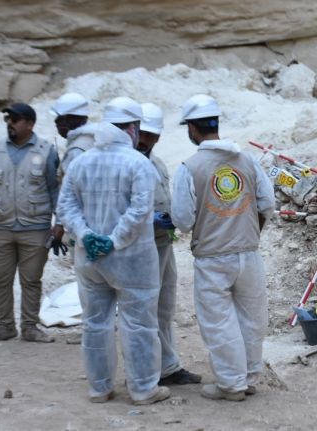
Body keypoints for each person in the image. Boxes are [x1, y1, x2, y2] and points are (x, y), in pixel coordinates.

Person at [57, 96, 170, 405]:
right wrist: (114, 240)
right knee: (139, 324)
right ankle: (144, 388)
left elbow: (65, 206)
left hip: (89, 259)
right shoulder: (138, 163)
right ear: (133, 128)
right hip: (132, 260)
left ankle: (99, 388)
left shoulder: (81, 162)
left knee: (95, 323)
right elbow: (139, 212)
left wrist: (86, 235)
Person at [171, 94, 275, 401]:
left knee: (219, 322)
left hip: (212, 258)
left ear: (192, 128)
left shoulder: (189, 167)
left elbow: (183, 220)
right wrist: (249, 231)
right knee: (251, 318)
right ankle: (249, 377)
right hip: (249, 253)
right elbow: (267, 203)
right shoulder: (247, 160)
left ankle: (231, 384)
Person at [137, 102, 201, 386]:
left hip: (162, 243)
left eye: (149, 135)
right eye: (141, 133)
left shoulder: (157, 163)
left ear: (157, 137)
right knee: (141, 311)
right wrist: (148, 220)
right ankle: (144, 373)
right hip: (136, 248)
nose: (144, 139)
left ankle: (168, 367)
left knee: (164, 307)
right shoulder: (124, 163)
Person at [0, 103, 61, 343]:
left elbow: (55, 190)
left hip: (35, 227)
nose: (10, 124)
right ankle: (4, 326)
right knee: (0, 279)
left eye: (15, 119)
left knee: (31, 280)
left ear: (30, 124)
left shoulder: (46, 151)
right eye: (8, 120)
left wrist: (60, 222)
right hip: (0, 227)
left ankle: (30, 327)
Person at [51, 92, 96, 182]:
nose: (56, 122)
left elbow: (74, 188)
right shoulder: (95, 138)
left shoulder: (77, 150)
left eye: (60, 119)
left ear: (74, 119)